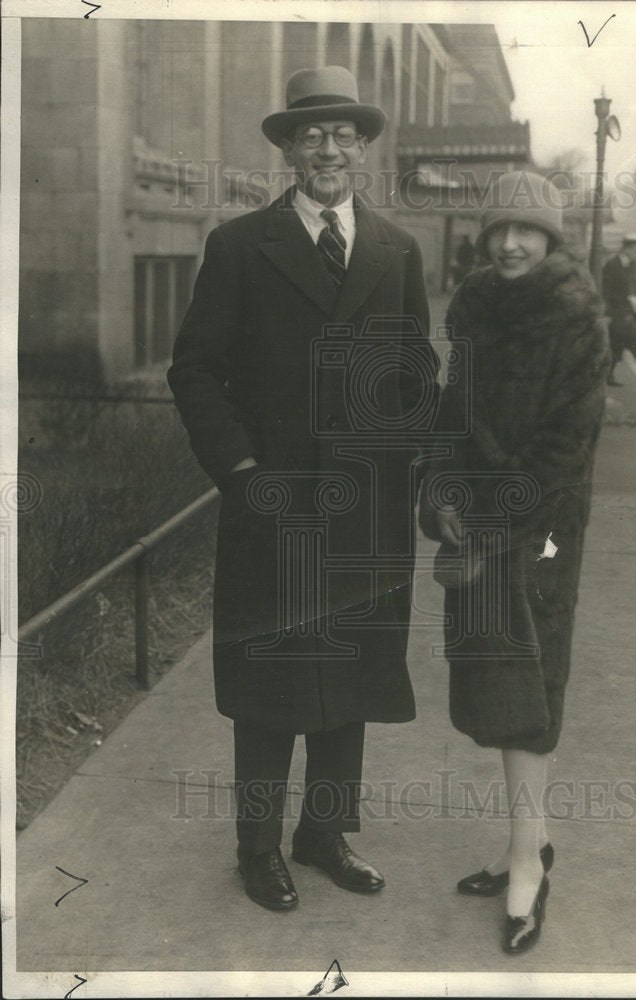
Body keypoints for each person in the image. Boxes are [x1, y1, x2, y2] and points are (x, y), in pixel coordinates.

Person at [168, 66, 436, 912]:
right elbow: (195, 370)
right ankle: (257, 847)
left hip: (366, 508)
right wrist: (242, 472)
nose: (329, 148)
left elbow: (415, 371)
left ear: (363, 148)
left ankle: (323, 833)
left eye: (344, 134)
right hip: (271, 506)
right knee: (268, 682)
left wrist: (412, 462)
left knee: (349, 677)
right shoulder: (241, 244)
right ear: (288, 148)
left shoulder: (396, 249)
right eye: (311, 134)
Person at [419, 170, 609, 954]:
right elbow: (451, 411)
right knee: (499, 679)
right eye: (498, 230)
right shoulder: (473, 308)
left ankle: (528, 863)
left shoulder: (578, 316)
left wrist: (499, 506)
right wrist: (441, 489)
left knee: (532, 686)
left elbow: (570, 442)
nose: (509, 243)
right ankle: (523, 845)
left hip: (543, 527)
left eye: (526, 231)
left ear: (552, 237)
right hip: (483, 521)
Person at [601, 247, 636, 385]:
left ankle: (610, 373)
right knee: (615, 341)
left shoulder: (627, 265)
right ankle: (608, 375)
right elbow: (606, 289)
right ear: (626, 251)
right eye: (635, 251)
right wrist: (607, 312)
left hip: (623, 308)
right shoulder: (612, 265)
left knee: (623, 339)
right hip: (614, 310)